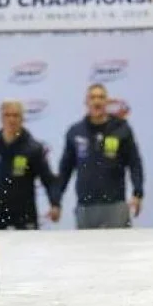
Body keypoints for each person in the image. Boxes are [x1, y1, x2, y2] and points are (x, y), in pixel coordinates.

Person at [58, 83, 144, 229]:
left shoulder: (121, 129)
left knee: (119, 250)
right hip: (86, 206)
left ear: (106, 102)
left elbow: (135, 163)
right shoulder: (75, 132)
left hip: (115, 204)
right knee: (86, 251)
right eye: (92, 98)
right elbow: (65, 169)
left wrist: (138, 192)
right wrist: (56, 199)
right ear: (86, 102)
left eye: (101, 97)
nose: (97, 101)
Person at [0, 101, 60, 230]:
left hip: (24, 215)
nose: (11, 120)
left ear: (22, 118)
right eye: (7, 115)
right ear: (1, 118)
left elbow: (48, 180)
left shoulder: (33, 148)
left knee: (29, 250)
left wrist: (54, 203)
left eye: (15, 115)